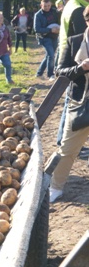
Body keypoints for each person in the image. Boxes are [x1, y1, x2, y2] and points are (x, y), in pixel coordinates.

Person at [50, 13, 89, 203]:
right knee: (67, 149)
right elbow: (59, 71)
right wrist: (81, 68)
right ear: (87, 20)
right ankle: (55, 187)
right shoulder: (74, 41)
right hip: (80, 103)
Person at [56, 0, 89, 146]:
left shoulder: (71, 4)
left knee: (71, 101)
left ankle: (63, 140)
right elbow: (83, 38)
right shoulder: (78, 10)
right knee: (74, 101)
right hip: (76, 58)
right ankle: (65, 140)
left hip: (67, 54)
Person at [34, 0, 60, 80]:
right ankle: (50, 74)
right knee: (51, 55)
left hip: (54, 36)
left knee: (49, 56)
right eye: (45, 6)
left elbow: (60, 20)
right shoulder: (38, 15)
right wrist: (50, 30)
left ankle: (39, 73)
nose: (47, 7)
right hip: (44, 37)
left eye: (49, 5)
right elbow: (37, 29)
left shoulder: (54, 12)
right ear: (41, 5)